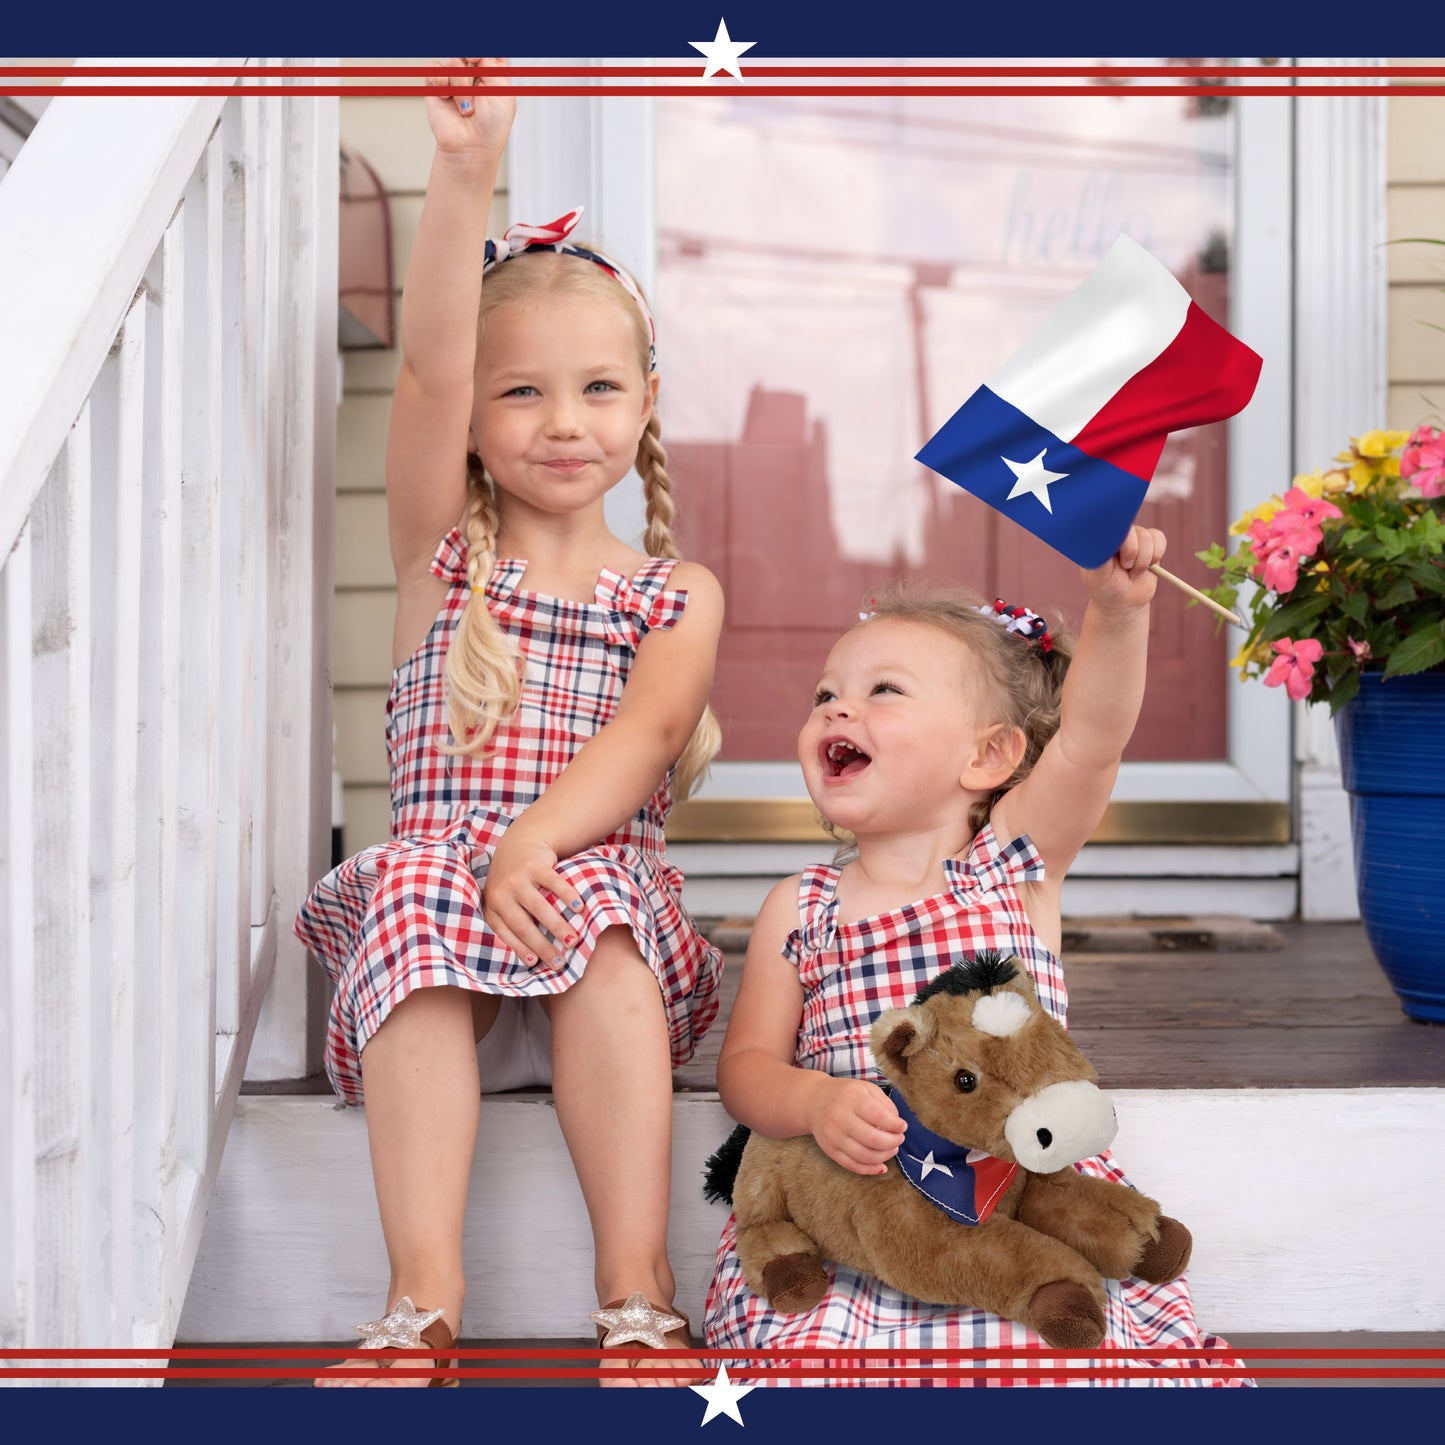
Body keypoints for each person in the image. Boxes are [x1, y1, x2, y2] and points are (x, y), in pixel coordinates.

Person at [297, 57, 724, 1387]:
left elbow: (645, 740)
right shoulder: (442, 557)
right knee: (421, 882)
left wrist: (533, 841)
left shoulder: (673, 591)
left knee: (595, 914)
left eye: (599, 389)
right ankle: (423, 1297)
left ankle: (637, 1290)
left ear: (644, 403)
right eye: (521, 391)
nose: (562, 422)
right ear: (476, 424)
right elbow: (424, 368)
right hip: (448, 906)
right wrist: (465, 171)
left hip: (589, 910)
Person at [704, 526, 1247, 1386]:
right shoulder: (802, 903)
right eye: (825, 695)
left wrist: (1117, 608)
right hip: (861, 1210)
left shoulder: (1011, 860)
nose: (837, 710)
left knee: (1062, 1348)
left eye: (882, 690)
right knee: (821, 1359)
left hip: (1017, 1189)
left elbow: (1091, 738)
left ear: (987, 752)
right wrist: (811, 1100)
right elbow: (744, 1066)